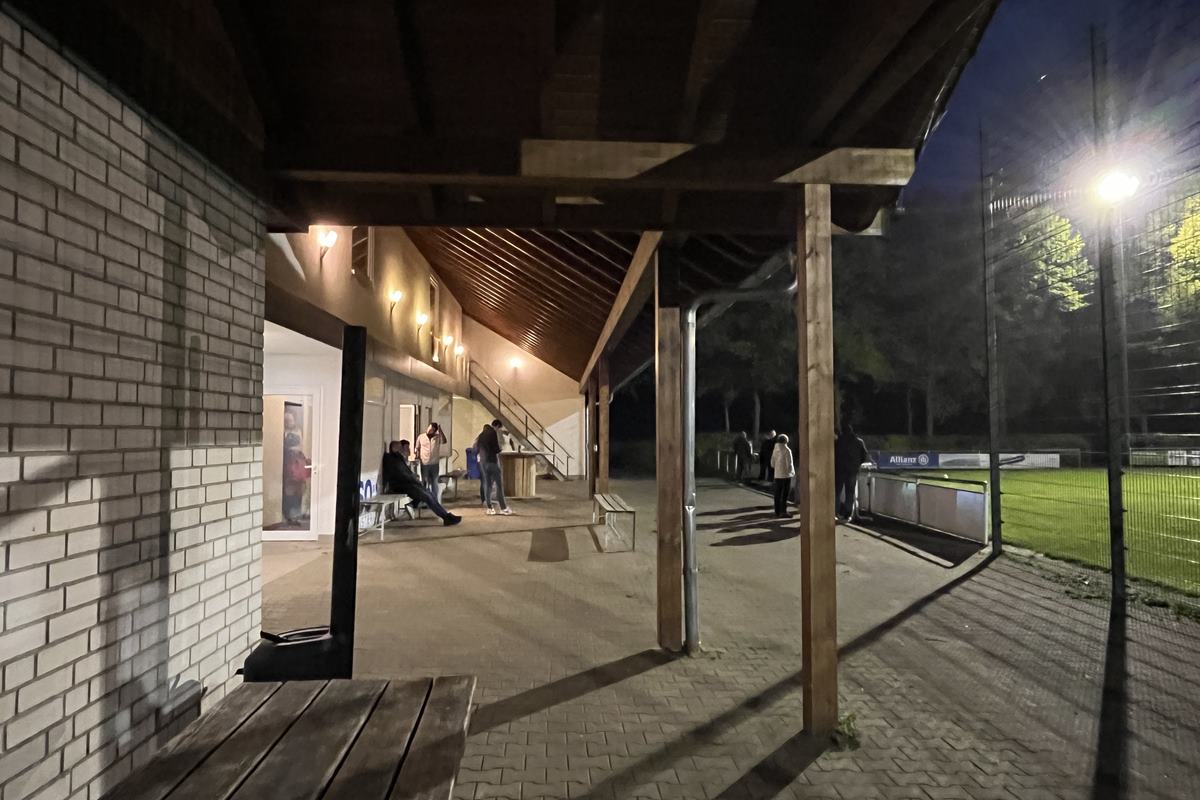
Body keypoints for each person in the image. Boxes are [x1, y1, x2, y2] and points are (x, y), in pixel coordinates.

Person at [381, 440, 461, 526]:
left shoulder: (398, 458)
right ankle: (445, 517)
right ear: (394, 448)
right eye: (400, 447)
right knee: (427, 496)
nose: (402, 449)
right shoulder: (392, 460)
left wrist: (414, 478)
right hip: (401, 486)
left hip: (408, 484)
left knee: (430, 494)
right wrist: (414, 479)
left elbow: (406, 473)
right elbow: (402, 475)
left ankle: (446, 515)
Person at [474, 419, 513, 516]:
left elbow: (475, 449)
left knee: (487, 485)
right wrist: (500, 449)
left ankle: (490, 508)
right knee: (499, 485)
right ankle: (503, 508)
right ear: (497, 426)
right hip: (492, 462)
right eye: (499, 428)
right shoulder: (492, 433)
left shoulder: (481, 435)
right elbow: (496, 449)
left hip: (483, 463)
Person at [834, 422, 871, 520]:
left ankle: (835, 512)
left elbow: (834, 455)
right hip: (852, 471)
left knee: (837, 492)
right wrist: (857, 464)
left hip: (839, 470)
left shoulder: (838, 442)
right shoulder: (859, 442)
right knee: (850, 493)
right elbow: (864, 456)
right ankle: (847, 513)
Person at [415, 422, 448, 501]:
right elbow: (417, 448)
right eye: (429, 428)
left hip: (434, 463)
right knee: (424, 481)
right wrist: (417, 457)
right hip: (424, 463)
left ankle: (434, 500)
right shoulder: (421, 437)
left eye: (432, 429)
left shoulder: (437, 437)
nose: (429, 430)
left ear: (435, 431)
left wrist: (440, 431)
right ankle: (424, 499)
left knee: (434, 482)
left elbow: (444, 441)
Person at [770, 434, 795, 517]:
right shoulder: (787, 450)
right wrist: (791, 472)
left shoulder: (775, 449)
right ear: (786, 441)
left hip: (777, 475)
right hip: (786, 475)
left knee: (777, 494)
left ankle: (777, 511)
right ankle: (783, 511)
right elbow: (789, 464)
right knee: (784, 494)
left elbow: (772, 463)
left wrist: (776, 468)